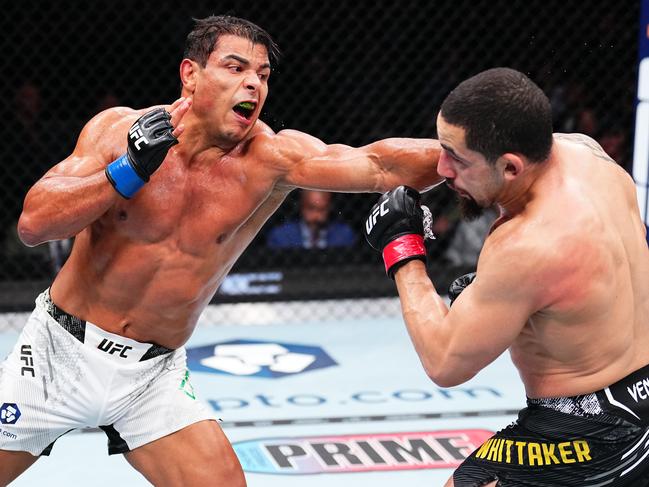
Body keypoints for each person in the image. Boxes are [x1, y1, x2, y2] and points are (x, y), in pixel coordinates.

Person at [1, 15, 443, 486]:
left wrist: (475, 153)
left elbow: (379, 165)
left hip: (150, 376)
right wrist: (129, 170)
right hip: (55, 355)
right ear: (190, 75)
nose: (252, 82)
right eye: (235, 68)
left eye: (263, 74)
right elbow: (34, 224)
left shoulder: (270, 159)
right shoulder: (117, 131)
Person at [363, 67, 649, 486]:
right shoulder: (589, 155)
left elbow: (444, 363)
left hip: (590, 432)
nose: (442, 168)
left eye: (456, 157)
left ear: (511, 167)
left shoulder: (525, 245)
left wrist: (401, 249)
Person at [266, 189, 357, 249]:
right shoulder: (282, 236)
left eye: (322, 209)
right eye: (311, 208)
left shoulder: (343, 234)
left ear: (329, 208)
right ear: (301, 206)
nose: (316, 216)